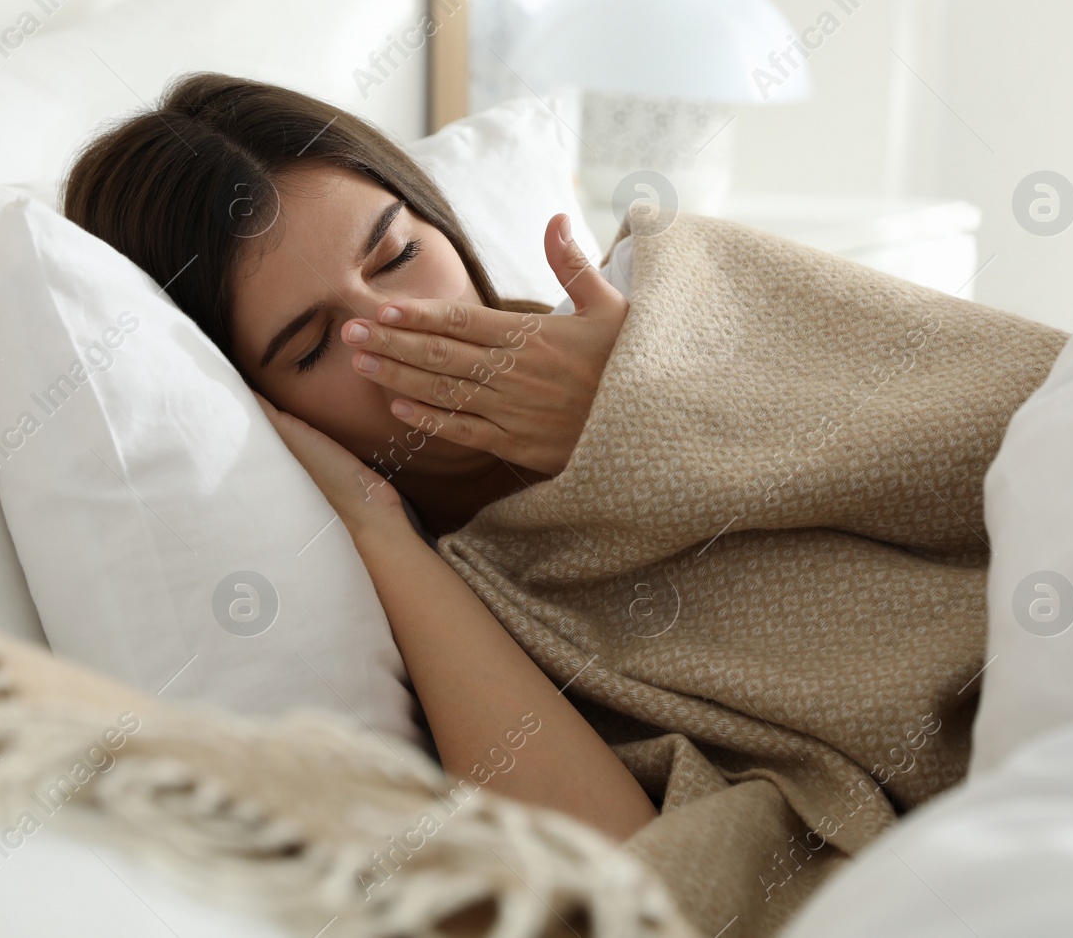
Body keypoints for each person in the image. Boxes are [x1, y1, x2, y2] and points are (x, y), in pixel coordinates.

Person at [65, 72, 659, 841]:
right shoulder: (440, 593)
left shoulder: (659, 287)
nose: (399, 326)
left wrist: (640, 405)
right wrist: (378, 529)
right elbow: (624, 882)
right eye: (312, 347)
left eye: (397, 254)